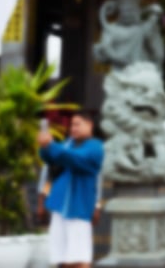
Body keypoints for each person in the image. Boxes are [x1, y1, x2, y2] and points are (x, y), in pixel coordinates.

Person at [38, 110, 105, 268]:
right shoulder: (67, 144)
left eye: (77, 124)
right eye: (71, 125)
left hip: (79, 208)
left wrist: (51, 145)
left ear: (89, 125)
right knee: (62, 258)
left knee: (79, 257)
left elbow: (75, 158)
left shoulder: (95, 147)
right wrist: (45, 147)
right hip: (60, 206)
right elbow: (49, 159)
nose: (73, 128)